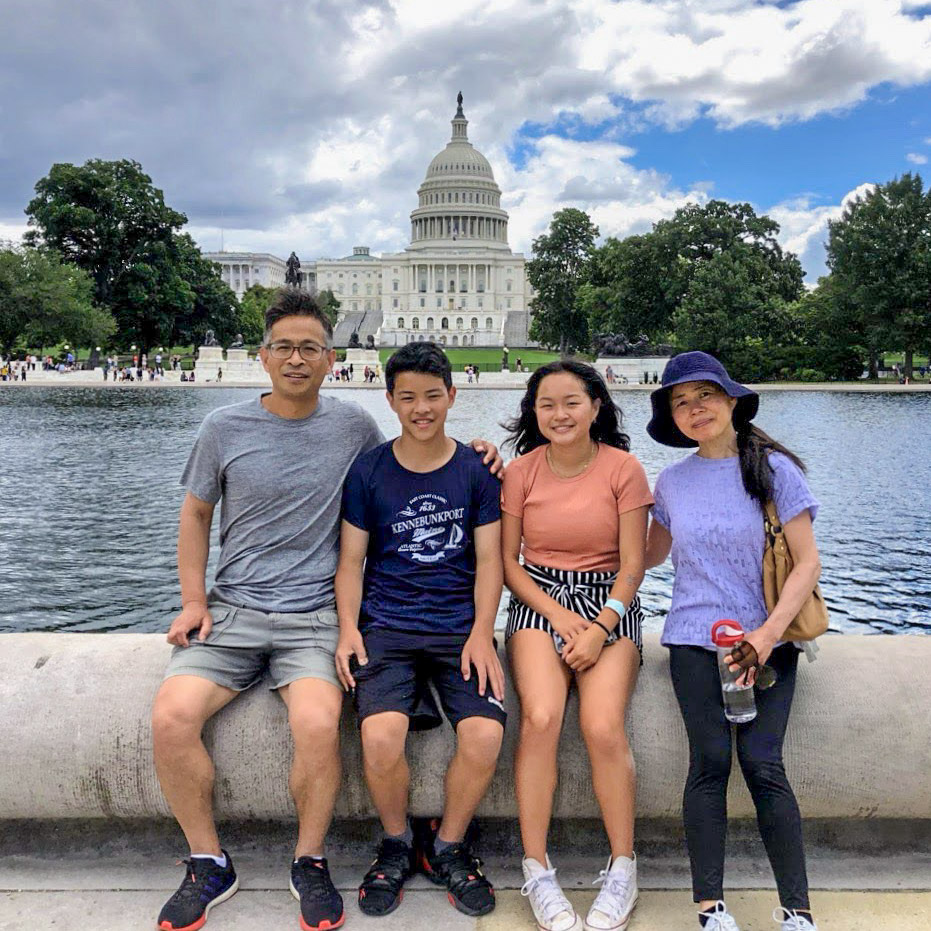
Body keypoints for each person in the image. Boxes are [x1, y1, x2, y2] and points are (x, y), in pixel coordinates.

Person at [151, 288, 501, 931]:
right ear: (263, 356)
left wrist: (481, 454)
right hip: (233, 610)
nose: (296, 358)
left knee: (316, 726)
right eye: (284, 347)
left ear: (331, 358)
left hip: (314, 616)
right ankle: (207, 861)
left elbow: (416, 457)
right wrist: (193, 600)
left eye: (309, 348)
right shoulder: (221, 427)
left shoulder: (354, 427)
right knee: (171, 719)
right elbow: (195, 516)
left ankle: (309, 860)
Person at [644, 351, 822, 931]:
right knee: (711, 763)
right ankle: (710, 908)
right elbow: (646, 556)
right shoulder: (671, 482)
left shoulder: (774, 470)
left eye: (706, 395)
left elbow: (807, 563)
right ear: (672, 417)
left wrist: (767, 635)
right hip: (694, 639)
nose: (696, 409)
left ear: (731, 401)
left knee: (764, 764)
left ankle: (797, 911)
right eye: (681, 401)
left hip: (767, 640)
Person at [334, 341, 506, 920]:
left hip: (460, 628)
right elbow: (351, 562)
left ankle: (449, 845)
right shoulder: (369, 470)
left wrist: (482, 632)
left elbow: (491, 561)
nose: (421, 408)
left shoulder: (476, 471)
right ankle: (396, 842)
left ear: (452, 396)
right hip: (388, 625)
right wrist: (348, 630)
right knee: (381, 737)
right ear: (390, 400)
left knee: (484, 736)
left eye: (433, 395)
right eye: (408, 397)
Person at [501, 360, 652, 931]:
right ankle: (537, 868)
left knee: (602, 726)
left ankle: (623, 866)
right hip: (540, 603)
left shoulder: (624, 469)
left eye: (571, 402)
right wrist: (562, 618)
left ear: (595, 407)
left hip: (611, 603)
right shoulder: (521, 472)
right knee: (541, 717)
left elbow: (633, 565)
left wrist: (601, 626)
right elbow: (510, 565)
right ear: (533, 412)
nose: (559, 414)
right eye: (546, 404)